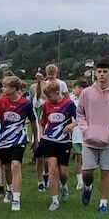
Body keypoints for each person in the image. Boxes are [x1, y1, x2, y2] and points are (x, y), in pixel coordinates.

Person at [76, 61, 109, 214]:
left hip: (108, 142)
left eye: (105, 71)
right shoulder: (86, 93)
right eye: (99, 71)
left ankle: (103, 203)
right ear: (95, 73)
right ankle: (88, 187)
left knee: (106, 171)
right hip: (89, 140)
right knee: (87, 172)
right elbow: (80, 113)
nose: (102, 75)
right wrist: (86, 130)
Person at [0, 76, 37, 212]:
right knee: (6, 168)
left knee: (16, 165)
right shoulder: (1, 101)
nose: (3, 89)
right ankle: (9, 188)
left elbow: (33, 122)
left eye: (5, 87)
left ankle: (16, 198)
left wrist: (36, 139)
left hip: (18, 140)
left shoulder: (25, 104)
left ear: (14, 89)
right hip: (3, 140)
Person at [38, 80, 77, 211]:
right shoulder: (46, 105)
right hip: (49, 140)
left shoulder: (69, 104)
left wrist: (72, 125)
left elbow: (80, 118)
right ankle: (54, 200)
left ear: (57, 93)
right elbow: (42, 122)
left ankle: (64, 185)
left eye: (49, 96)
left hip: (64, 141)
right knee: (52, 167)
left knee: (63, 172)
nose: (48, 99)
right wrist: (41, 136)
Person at [69, 78, 89, 191]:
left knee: (87, 159)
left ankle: (88, 180)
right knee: (78, 157)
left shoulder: (90, 101)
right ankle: (80, 181)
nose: (73, 90)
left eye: (75, 88)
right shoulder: (71, 99)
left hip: (87, 133)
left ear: (81, 88)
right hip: (76, 133)